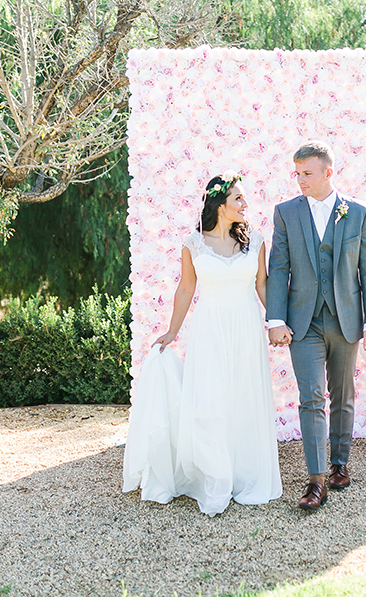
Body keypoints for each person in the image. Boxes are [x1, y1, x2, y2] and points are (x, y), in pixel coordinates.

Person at [123, 175, 282, 516]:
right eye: (238, 199)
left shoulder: (255, 242)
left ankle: (245, 477)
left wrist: (279, 321)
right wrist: (171, 332)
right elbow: (185, 289)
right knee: (211, 402)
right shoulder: (193, 243)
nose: (245, 204)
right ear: (219, 204)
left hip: (246, 328)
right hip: (209, 328)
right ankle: (215, 476)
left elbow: (262, 286)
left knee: (244, 398)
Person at [266, 141, 366, 510]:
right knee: (312, 397)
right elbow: (279, 268)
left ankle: (339, 464)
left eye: (307, 173)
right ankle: (316, 480)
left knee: (343, 395)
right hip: (303, 323)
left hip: (346, 320)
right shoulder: (285, 212)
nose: (300, 180)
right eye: (297, 173)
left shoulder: (358, 212)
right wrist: (276, 319)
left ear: (328, 173)